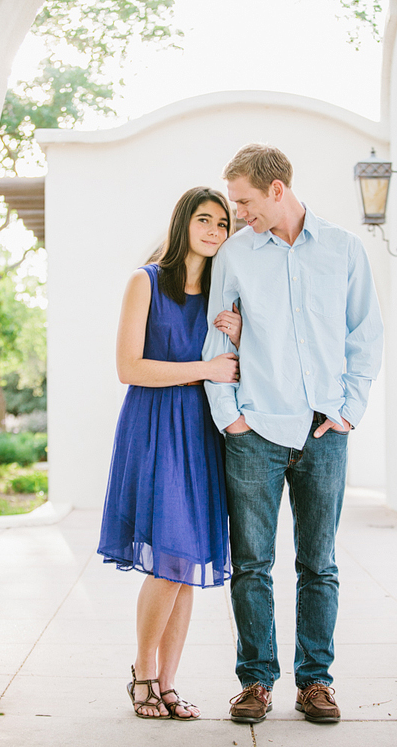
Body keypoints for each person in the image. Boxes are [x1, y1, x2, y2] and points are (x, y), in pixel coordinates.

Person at [202, 143, 384, 724]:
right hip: (255, 430)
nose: (239, 213)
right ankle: (256, 681)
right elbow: (218, 339)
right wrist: (230, 416)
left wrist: (349, 411)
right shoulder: (235, 254)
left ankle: (315, 683)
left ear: (277, 190)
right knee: (251, 564)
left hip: (324, 430)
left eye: (246, 201)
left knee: (319, 564)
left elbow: (366, 335)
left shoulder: (343, 249)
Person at [97, 186, 241, 720]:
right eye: (204, 219)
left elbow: (238, 366)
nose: (213, 231)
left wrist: (241, 336)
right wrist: (204, 369)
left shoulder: (222, 296)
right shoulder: (146, 281)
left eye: (223, 224)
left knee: (187, 562)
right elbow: (129, 368)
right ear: (183, 223)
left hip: (201, 431)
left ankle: (170, 682)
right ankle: (143, 673)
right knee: (168, 560)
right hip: (155, 427)